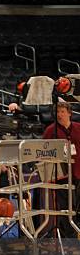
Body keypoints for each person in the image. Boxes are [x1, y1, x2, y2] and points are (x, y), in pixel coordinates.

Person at [43, 101, 80, 236]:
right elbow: (44, 151)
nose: (60, 115)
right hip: (61, 176)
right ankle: (68, 238)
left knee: (77, 207)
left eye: (63, 112)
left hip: (78, 173)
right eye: (58, 112)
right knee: (64, 208)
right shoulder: (51, 131)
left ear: (69, 113)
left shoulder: (78, 127)